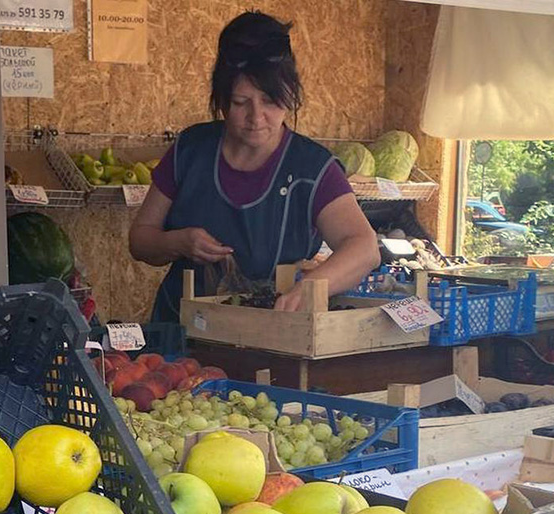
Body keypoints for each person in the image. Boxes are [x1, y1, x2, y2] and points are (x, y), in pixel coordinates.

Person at [129, 11, 380, 323]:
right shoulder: (190, 150)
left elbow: (365, 247)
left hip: (275, 332)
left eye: (271, 101)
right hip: (182, 337)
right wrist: (177, 242)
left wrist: (309, 289)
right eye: (240, 102)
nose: (256, 117)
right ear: (220, 99)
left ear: (291, 96)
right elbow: (140, 240)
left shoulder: (312, 168)